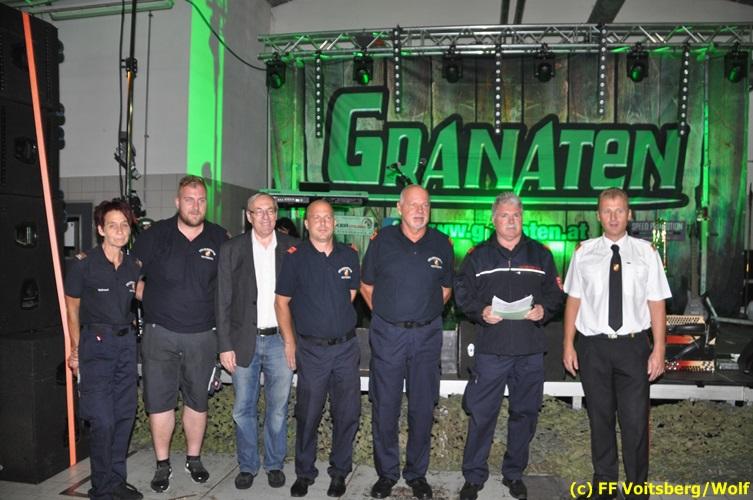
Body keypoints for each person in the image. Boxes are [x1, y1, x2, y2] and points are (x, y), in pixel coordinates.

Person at [453, 193, 563, 500]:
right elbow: (462, 295)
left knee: (524, 415)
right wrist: (481, 311)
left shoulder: (541, 255)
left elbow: (556, 294)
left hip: (529, 351)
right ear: (494, 219)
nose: (511, 221)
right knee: (482, 415)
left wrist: (544, 310)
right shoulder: (477, 256)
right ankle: (473, 476)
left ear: (522, 218)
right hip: (491, 350)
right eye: (504, 215)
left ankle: (514, 474)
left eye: (516, 215)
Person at [562, 188, 670, 500]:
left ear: (629, 214)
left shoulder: (646, 253)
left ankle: (637, 490)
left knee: (635, 423)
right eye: (607, 211)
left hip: (633, 348)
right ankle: (605, 486)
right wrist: (568, 344)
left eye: (619, 210)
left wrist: (659, 348)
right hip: (593, 347)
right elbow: (573, 301)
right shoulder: (583, 252)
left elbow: (656, 303)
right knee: (600, 420)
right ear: (598, 215)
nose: (613, 217)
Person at [131, 175, 228, 493]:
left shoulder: (219, 238)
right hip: (160, 334)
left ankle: (194, 459)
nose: (195, 206)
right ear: (177, 202)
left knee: (197, 401)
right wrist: (149, 297)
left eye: (201, 200)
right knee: (160, 403)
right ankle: (162, 464)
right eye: (189, 199)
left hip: (203, 335)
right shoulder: (155, 235)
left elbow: (230, 286)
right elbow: (129, 274)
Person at [360, 184, 453, 500]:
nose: (419, 210)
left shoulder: (441, 243)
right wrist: (388, 316)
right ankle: (387, 474)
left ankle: (416, 474)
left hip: (426, 337)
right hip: (388, 336)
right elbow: (366, 286)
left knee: (422, 407)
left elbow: (445, 290)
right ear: (399, 208)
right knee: (385, 406)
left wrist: (421, 316)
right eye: (413, 204)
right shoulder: (382, 241)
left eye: (425, 205)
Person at [275, 199, 362, 498]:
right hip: (312, 351)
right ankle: (304, 473)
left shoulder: (350, 256)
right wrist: (290, 341)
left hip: (346, 349)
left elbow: (350, 295)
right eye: (316, 217)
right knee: (308, 414)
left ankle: (339, 472)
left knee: (347, 414)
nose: (323, 223)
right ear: (307, 223)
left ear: (334, 223)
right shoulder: (295, 257)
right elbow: (281, 302)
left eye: (328, 217)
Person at [216, 193, 297, 490]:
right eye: (258, 211)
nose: (265, 216)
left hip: (280, 341)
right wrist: (224, 345)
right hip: (242, 341)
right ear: (248, 216)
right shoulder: (231, 249)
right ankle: (248, 465)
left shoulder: (293, 248)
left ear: (276, 214)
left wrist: (295, 340)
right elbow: (222, 300)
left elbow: (302, 298)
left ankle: (274, 464)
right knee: (243, 409)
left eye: (270, 210)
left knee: (278, 408)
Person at [64, 199, 143, 500]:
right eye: (113, 225)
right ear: (101, 229)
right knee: (103, 421)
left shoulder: (134, 266)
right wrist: (75, 349)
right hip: (95, 346)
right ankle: (101, 488)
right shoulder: (83, 264)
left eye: (124, 225)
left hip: (126, 345)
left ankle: (116, 481)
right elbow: (71, 309)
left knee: (124, 416)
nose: (120, 231)